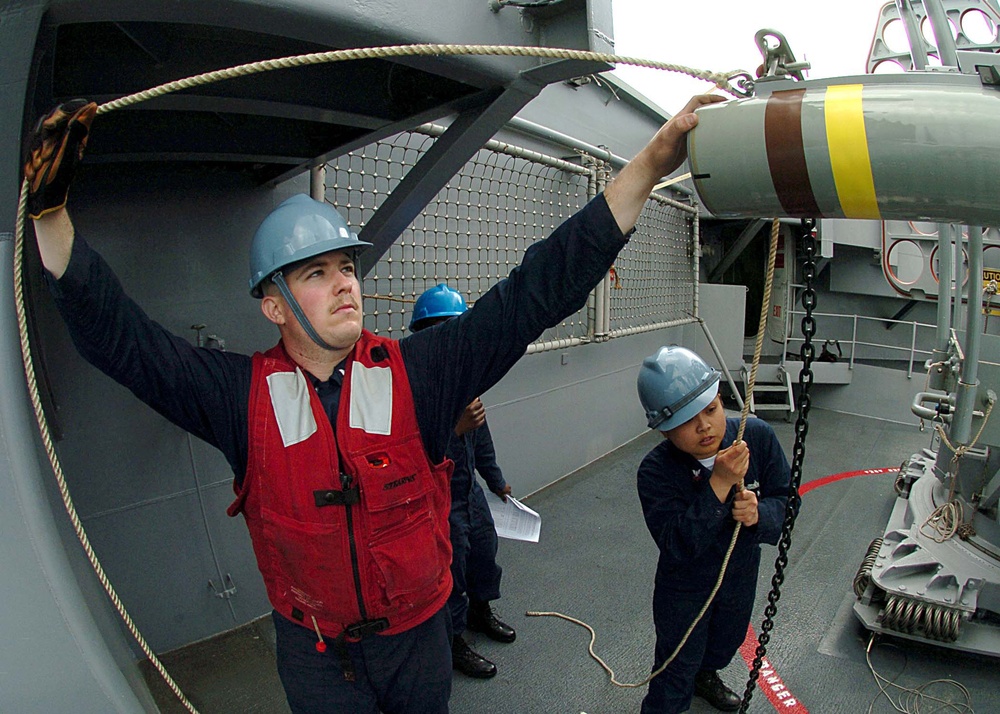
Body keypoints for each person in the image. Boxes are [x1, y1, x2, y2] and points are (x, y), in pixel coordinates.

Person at [23, 92, 726, 714]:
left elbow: (537, 290)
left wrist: (651, 162)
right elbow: (126, 343)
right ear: (272, 304)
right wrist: (51, 217)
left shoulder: (421, 373)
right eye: (317, 272)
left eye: (348, 267)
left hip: (419, 642)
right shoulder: (237, 398)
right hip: (317, 655)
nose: (345, 283)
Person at [634, 345, 791, 713]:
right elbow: (677, 545)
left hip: (739, 574)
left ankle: (706, 675)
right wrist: (718, 484)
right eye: (688, 421)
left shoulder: (758, 436)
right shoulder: (656, 472)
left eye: (711, 409)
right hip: (684, 587)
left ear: (721, 401)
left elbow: (786, 500)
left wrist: (759, 515)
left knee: (726, 641)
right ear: (664, 430)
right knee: (675, 667)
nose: (705, 426)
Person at [409, 285, 516, 680]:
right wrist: (455, 428)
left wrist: (496, 480)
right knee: (450, 570)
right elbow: (413, 453)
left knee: (484, 550)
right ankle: (453, 640)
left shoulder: (465, 383)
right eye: (437, 330)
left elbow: (481, 437)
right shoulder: (414, 389)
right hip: (438, 499)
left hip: (469, 490)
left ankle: (480, 610)